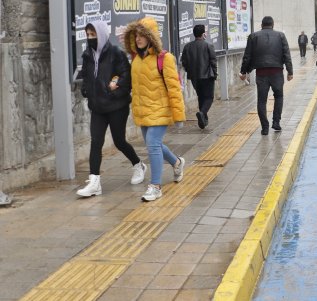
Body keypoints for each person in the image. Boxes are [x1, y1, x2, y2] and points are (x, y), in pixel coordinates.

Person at [76, 21, 146, 197]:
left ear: (101, 35)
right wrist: (86, 90)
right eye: (88, 35)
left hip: (117, 106)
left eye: (94, 35)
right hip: (98, 107)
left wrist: (114, 89)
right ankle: (94, 182)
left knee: (119, 141)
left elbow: (126, 77)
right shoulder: (87, 55)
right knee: (96, 142)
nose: (91, 38)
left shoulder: (115, 53)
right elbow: (85, 75)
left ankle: (138, 165)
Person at [123, 17, 186, 202]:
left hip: (160, 109)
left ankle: (155, 186)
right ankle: (177, 162)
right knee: (155, 145)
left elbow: (174, 88)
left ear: (151, 37)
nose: (139, 39)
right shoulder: (135, 60)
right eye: (136, 35)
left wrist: (178, 114)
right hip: (143, 111)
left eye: (143, 35)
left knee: (152, 142)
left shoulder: (165, 58)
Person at [239, 16, 294, 135]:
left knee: (261, 100)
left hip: (261, 73)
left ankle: (265, 127)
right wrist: (290, 72)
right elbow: (286, 55)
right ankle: (276, 122)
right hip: (277, 73)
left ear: (261, 25)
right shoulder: (280, 36)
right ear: (273, 25)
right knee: (279, 96)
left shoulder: (253, 36)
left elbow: (247, 56)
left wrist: (244, 72)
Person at [180, 24, 217, 129]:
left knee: (201, 97)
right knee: (209, 97)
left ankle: (203, 121)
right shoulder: (208, 46)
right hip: (207, 76)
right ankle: (202, 113)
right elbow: (213, 61)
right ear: (203, 33)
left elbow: (184, 62)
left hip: (194, 77)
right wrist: (215, 73)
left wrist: (189, 71)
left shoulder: (187, 47)